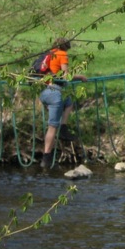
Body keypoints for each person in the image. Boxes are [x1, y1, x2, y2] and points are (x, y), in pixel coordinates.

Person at [38, 38, 87, 168]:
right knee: (52, 127)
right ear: (66, 46)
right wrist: (80, 77)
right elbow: (66, 76)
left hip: (45, 91)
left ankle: (63, 128)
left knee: (69, 102)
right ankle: (46, 158)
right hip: (55, 93)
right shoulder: (62, 54)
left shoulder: (49, 53)